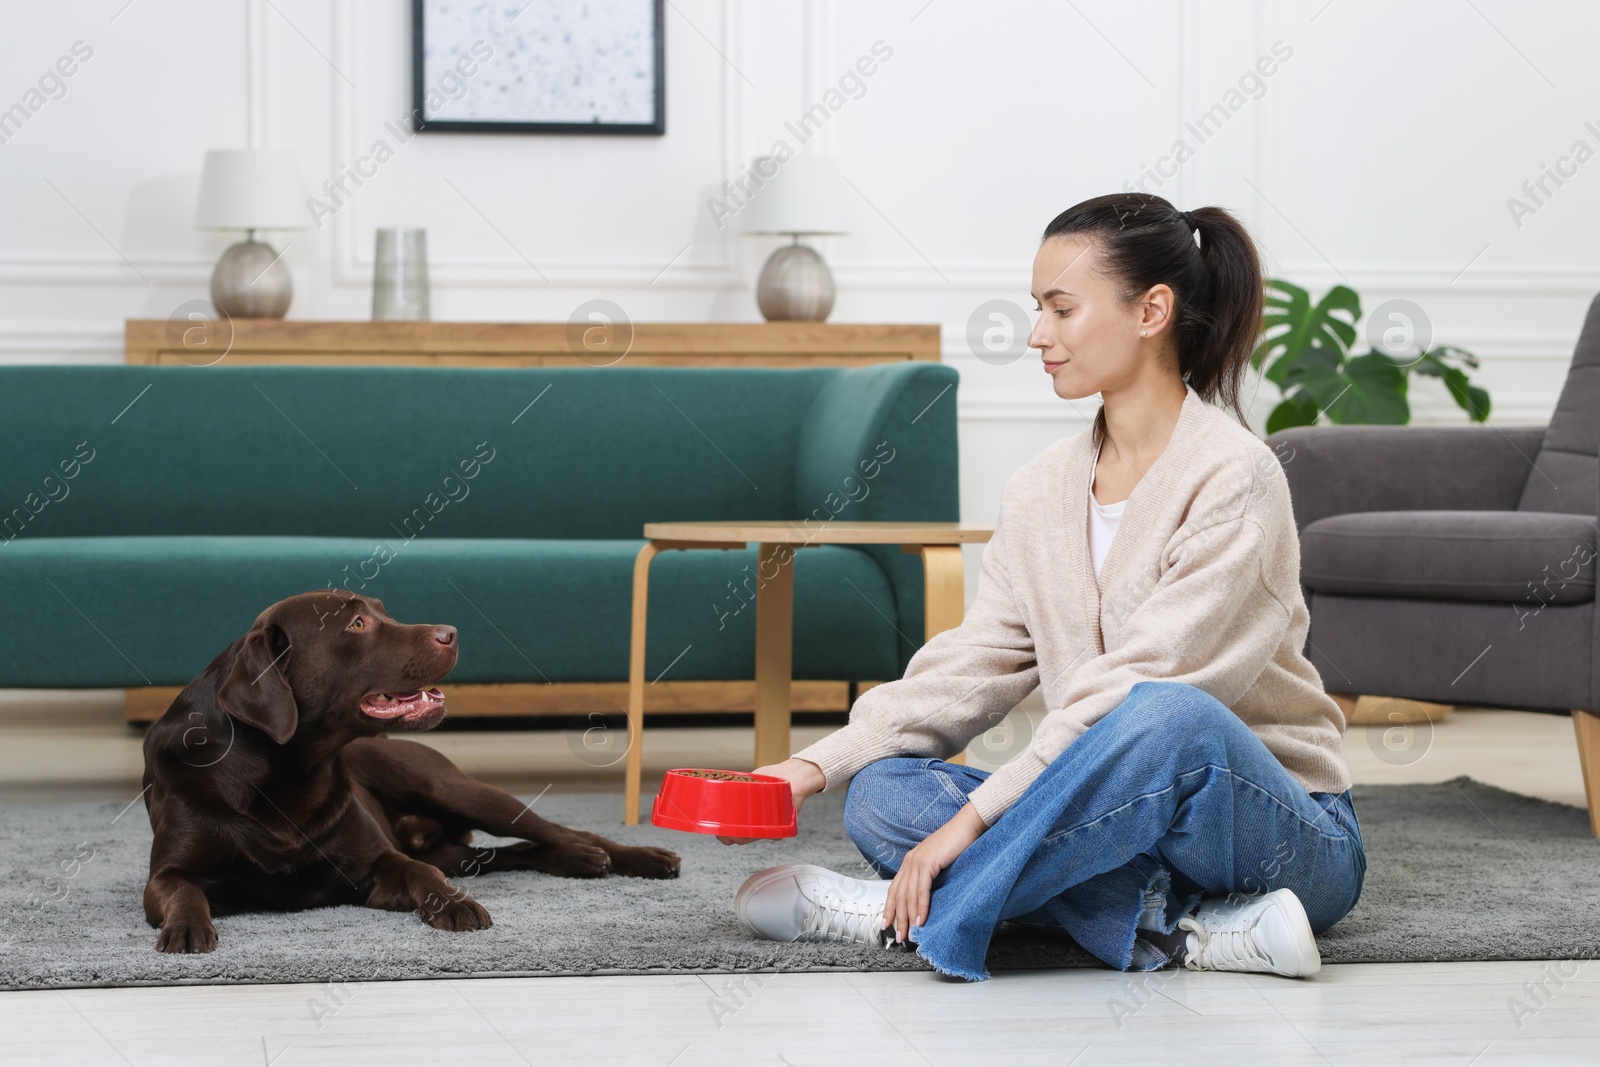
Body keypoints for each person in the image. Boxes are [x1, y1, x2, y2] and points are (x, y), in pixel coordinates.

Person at [720, 193, 1366, 981]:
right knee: (882, 792)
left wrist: (968, 826)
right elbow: (978, 659)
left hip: (1275, 827)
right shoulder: (1039, 489)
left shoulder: (1236, 479)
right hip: (1114, 818)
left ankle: (901, 913)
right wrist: (815, 766)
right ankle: (1181, 925)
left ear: (1151, 310)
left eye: (1062, 308)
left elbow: (1139, 691)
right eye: (1038, 308)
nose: (1037, 334)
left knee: (1165, 716)